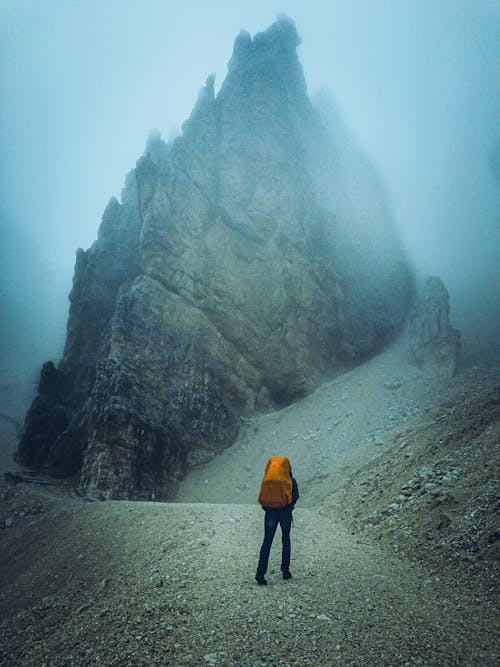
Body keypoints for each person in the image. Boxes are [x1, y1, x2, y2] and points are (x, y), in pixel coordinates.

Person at [255, 457, 299, 585]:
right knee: (286, 539)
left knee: (267, 541)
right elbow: (295, 496)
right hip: (285, 514)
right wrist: (289, 506)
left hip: (270, 514)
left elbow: (264, 497)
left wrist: (268, 508)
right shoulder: (290, 481)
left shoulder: (268, 481)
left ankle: (260, 573)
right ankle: (285, 571)